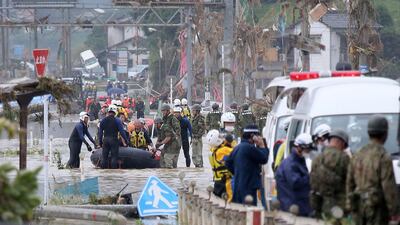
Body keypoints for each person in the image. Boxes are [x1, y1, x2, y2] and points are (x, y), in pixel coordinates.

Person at [346, 116, 400, 225]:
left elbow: (349, 182)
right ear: (385, 134)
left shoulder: (358, 154)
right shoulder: (383, 156)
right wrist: (395, 211)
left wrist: (350, 205)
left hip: (358, 205)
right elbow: (388, 186)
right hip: (377, 208)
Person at [310, 129, 350, 219]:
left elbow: (312, 182)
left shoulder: (317, 159)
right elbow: (350, 182)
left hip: (318, 206)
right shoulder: (344, 158)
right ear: (341, 142)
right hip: (338, 208)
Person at [225, 124, 268, 206]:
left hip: (238, 185)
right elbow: (264, 158)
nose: (259, 138)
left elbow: (228, 162)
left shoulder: (238, 147)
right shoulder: (249, 148)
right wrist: (262, 145)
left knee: (239, 210)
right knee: (249, 212)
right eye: (258, 135)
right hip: (248, 187)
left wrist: (238, 173)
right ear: (252, 136)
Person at [275, 133, 313, 216]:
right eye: (307, 150)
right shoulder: (290, 164)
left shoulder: (299, 161)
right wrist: (311, 178)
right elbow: (295, 182)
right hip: (292, 209)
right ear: (299, 148)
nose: (308, 152)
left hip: (299, 207)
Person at [206, 129, 234, 201]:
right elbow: (237, 152)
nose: (222, 136)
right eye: (219, 136)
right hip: (225, 182)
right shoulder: (223, 150)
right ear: (217, 139)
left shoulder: (212, 150)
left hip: (217, 182)